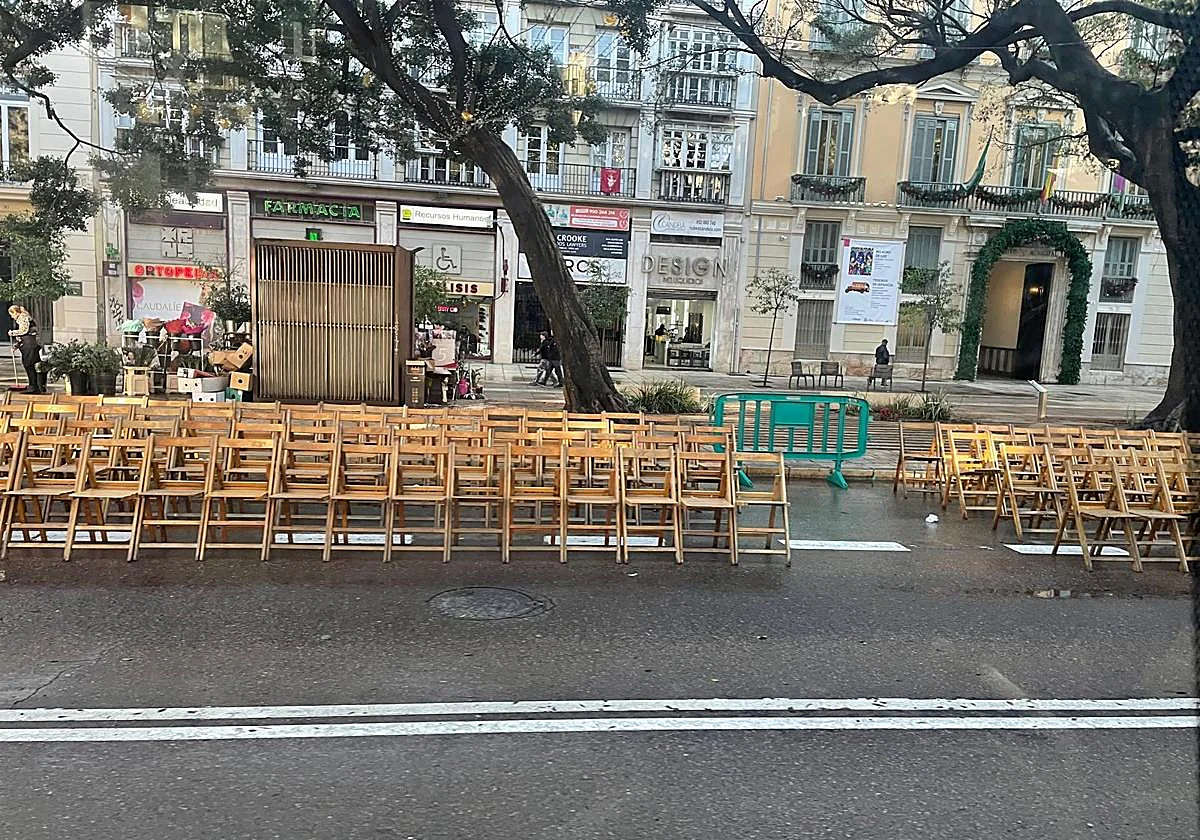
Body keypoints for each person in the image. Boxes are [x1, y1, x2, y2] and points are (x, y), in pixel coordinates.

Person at [8, 305, 43, 394]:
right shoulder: (22, 318)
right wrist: (16, 346)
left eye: (12, 314)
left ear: (15, 312)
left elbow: (24, 330)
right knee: (29, 365)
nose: (12, 317)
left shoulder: (23, 318)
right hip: (28, 344)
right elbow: (22, 336)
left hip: (30, 345)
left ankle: (34, 387)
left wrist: (13, 332)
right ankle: (34, 386)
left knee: (29, 365)